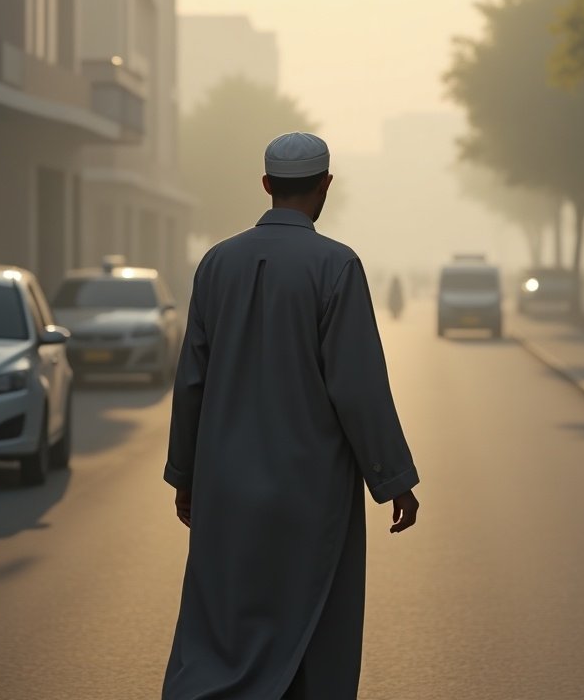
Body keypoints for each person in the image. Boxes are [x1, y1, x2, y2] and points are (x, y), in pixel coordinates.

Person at [163, 131, 420, 700]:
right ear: (325, 186)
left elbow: (192, 382)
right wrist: (393, 479)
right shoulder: (336, 266)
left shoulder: (215, 264)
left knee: (219, 631)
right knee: (315, 629)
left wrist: (185, 475)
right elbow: (358, 387)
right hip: (312, 491)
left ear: (266, 185)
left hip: (225, 488)